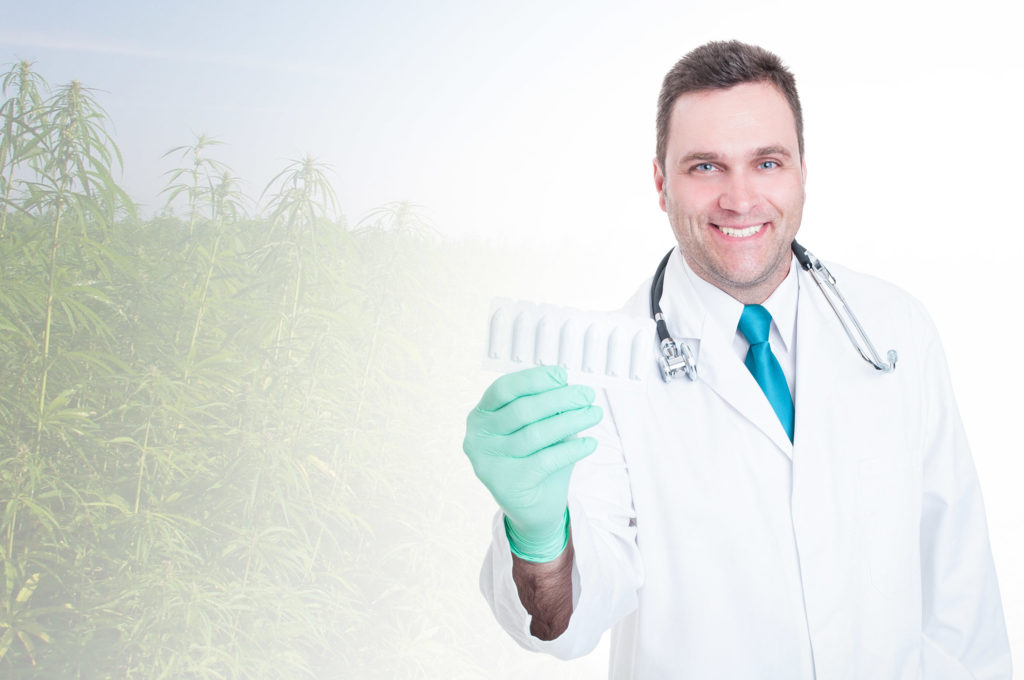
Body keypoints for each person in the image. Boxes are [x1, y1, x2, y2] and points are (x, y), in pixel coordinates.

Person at [462, 41, 1012, 678]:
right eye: (705, 168)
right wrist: (540, 536)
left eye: (768, 162)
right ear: (660, 182)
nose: (741, 199)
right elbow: (564, 619)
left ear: (803, 170)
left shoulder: (894, 330)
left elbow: (959, 587)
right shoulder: (606, 375)